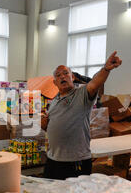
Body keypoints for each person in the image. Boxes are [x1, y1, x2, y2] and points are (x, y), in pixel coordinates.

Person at [41, 51, 122, 180]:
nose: (62, 77)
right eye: (58, 75)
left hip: (75, 161)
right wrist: (45, 124)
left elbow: (95, 83)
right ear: (54, 82)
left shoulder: (82, 95)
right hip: (53, 159)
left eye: (66, 73)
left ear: (72, 77)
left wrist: (106, 69)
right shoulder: (54, 101)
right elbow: (52, 125)